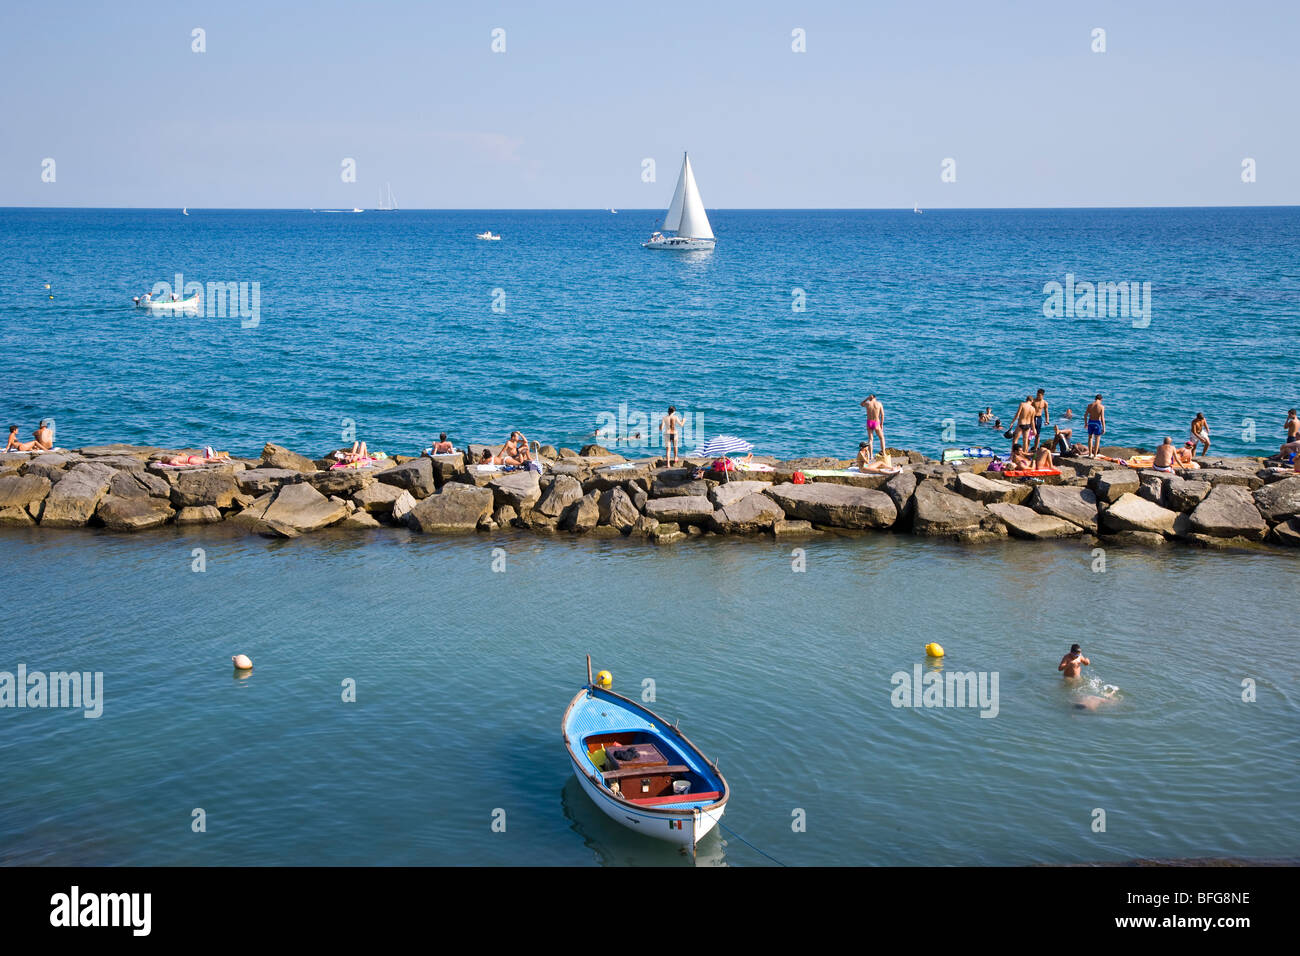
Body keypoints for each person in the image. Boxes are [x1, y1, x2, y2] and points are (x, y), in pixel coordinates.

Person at [860, 394, 885, 461]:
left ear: (870, 398)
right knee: (881, 438)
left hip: (869, 422)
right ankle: (884, 453)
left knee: (870, 440)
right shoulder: (879, 404)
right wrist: (881, 424)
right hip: (876, 422)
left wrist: (866, 398)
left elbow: (861, 404)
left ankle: (871, 456)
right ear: (875, 397)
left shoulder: (868, 404)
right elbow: (882, 414)